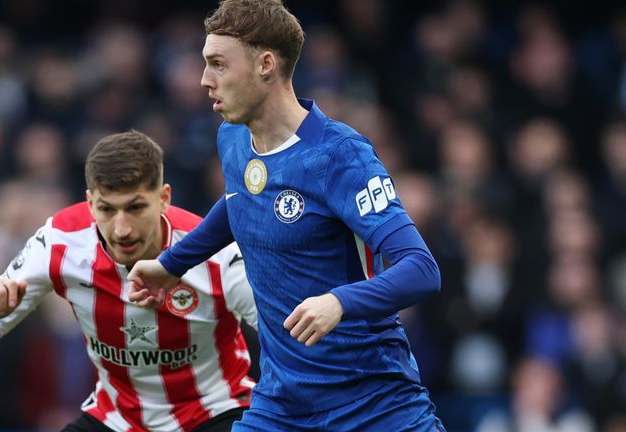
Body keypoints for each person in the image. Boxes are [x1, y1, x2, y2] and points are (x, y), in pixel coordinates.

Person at [127, 0, 445, 430]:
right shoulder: (233, 138)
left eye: (218, 64)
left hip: (373, 402)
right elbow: (241, 201)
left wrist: (339, 302)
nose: (204, 80)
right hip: (282, 405)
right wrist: (171, 264)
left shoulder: (340, 156)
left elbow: (421, 269)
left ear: (266, 64)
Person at [0, 130, 258, 432]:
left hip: (215, 413)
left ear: (164, 198)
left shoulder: (215, 255)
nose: (121, 229)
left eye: (135, 208)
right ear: (90, 202)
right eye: (107, 209)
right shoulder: (59, 243)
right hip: (116, 419)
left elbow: (289, 335)